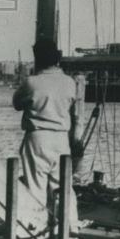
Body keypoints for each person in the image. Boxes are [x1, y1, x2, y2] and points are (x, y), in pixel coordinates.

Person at [13, 37, 83, 229]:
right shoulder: (70, 83)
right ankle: (71, 233)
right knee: (64, 189)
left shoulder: (32, 82)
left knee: (35, 189)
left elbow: (17, 104)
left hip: (38, 138)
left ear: (38, 59)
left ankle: (37, 233)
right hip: (61, 139)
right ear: (58, 59)